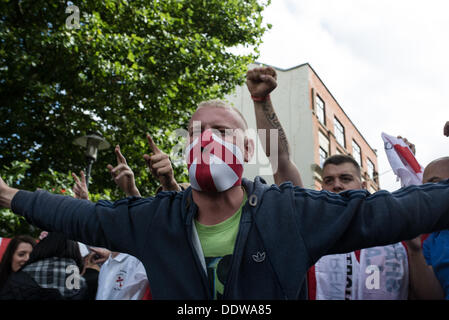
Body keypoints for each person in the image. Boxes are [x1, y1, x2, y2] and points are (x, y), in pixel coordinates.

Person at [4, 70, 449, 299]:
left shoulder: (288, 211)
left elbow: (387, 211)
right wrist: (6, 193)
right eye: (197, 132)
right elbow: (77, 214)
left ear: (248, 147)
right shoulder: (155, 219)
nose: (207, 140)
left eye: (221, 130)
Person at [0, 232, 88, 300]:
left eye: (31, 255)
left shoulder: (18, 281)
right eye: (21, 254)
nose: (27, 259)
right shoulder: (79, 283)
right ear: (10, 257)